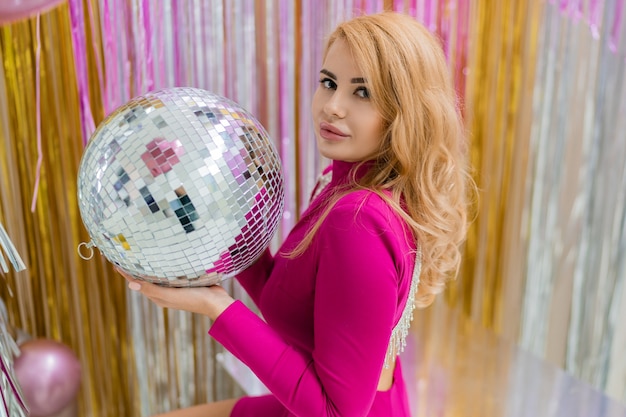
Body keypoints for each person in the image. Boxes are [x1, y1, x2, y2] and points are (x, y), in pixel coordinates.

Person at [117, 11, 472, 417]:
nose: (333, 107)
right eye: (329, 83)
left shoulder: (357, 220)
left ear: (404, 112)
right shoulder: (347, 184)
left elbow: (338, 412)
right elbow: (289, 302)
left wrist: (215, 307)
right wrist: (209, 227)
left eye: (362, 93)